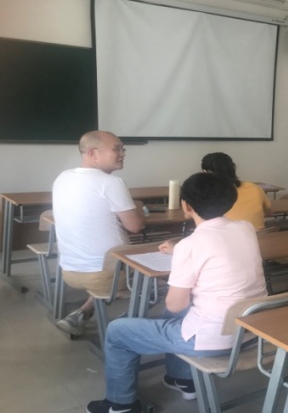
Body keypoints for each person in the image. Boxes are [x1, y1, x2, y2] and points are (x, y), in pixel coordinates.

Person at [86, 172, 268, 413]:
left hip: (213, 339)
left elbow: (175, 304)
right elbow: (215, 245)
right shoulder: (245, 228)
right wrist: (180, 249)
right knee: (179, 315)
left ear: (186, 205)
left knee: (118, 331)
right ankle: (181, 378)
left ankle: (121, 405)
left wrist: (181, 258)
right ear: (230, 200)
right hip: (250, 330)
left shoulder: (190, 246)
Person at [52, 130, 146, 336]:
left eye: (123, 149)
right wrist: (138, 207)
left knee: (114, 260)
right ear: (92, 153)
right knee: (166, 265)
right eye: (116, 149)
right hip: (106, 276)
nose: (122, 154)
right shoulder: (111, 183)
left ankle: (82, 312)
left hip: (69, 270)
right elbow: (135, 226)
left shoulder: (63, 177)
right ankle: (137, 330)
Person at [200, 152, 272, 230]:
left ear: (205, 172)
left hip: (224, 236)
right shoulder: (254, 187)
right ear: (233, 167)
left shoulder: (206, 193)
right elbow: (269, 213)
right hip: (257, 236)